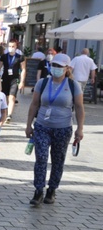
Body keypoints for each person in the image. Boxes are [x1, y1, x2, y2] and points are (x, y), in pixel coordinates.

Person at [25, 53, 85, 206]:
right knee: (41, 159)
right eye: (54, 65)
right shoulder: (43, 83)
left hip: (63, 128)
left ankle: (51, 190)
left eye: (59, 66)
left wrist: (80, 129)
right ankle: (38, 191)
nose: (55, 68)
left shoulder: (73, 85)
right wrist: (28, 124)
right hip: (42, 127)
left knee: (58, 160)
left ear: (67, 68)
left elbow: (79, 107)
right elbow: (34, 104)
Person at [0, 39, 26, 123]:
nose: (11, 48)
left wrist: (22, 82)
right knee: (6, 97)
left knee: (12, 97)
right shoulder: (3, 57)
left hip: (15, 79)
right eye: (10, 46)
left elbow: (23, 69)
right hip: (5, 79)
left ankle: (9, 115)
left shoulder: (20, 57)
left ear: (16, 47)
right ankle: (5, 113)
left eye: (13, 46)